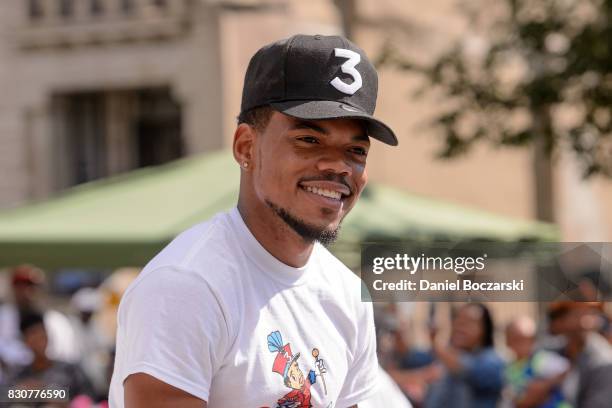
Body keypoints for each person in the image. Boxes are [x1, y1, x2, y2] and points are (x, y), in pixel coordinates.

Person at [109, 33, 398, 407]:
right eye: (309, 140)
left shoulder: (346, 294)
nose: (337, 165)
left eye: (356, 150)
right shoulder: (188, 286)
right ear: (246, 147)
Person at [424, 303, 504, 408]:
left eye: (468, 323)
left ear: (484, 329)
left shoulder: (492, 361)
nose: (460, 328)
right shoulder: (446, 359)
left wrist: (435, 344)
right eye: (458, 321)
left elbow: (465, 369)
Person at [6, 311, 94, 407]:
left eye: (41, 333)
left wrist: (47, 392)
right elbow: (5, 397)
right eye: (33, 335)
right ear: (25, 341)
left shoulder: (69, 370)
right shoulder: (19, 374)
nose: (39, 339)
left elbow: (89, 397)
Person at [547, 301, 612, 408]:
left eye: (590, 313)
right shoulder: (551, 352)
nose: (584, 321)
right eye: (577, 315)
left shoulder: (604, 362)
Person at [503, 316, 570, 408]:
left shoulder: (542, 359)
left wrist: (543, 386)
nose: (523, 343)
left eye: (528, 338)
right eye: (517, 339)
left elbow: (567, 370)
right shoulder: (508, 368)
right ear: (508, 341)